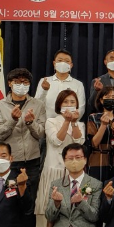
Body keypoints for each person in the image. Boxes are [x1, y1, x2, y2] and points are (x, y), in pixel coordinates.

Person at [0, 68, 46, 227]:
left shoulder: (38, 104)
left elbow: (40, 134)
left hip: (32, 163)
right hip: (9, 164)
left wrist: (30, 123)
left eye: (25, 82)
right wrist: (13, 120)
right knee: (9, 204)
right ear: (10, 83)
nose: (21, 85)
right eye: (17, 82)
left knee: (29, 206)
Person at [36, 90, 85, 220]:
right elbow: (57, 141)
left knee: (71, 210)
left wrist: (73, 122)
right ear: (59, 104)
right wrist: (66, 122)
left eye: (72, 102)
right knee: (50, 210)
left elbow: (79, 142)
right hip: (53, 170)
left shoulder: (80, 124)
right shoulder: (51, 121)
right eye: (65, 102)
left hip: (72, 171)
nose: (69, 105)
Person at [35, 49, 87, 119]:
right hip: (46, 122)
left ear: (71, 65)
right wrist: (44, 90)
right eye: (60, 60)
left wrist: (70, 121)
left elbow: (81, 108)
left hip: (70, 122)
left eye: (67, 61)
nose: (63, 63)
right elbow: (37, 104)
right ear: (54, 63)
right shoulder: (45, 81)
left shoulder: (78, 84)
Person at [86, 86, 114, 183]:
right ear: (101, 100)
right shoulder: (93, 117)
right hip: (98, 160)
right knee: (95, 188)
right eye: (108, 97)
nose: (111, 99)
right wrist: (103, 125)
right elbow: (94, 143)